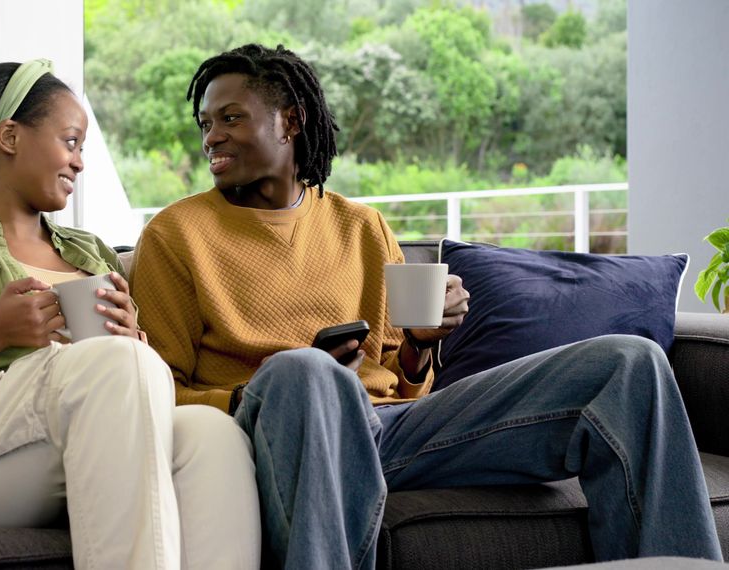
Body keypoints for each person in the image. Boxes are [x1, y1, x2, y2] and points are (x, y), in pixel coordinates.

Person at [129, 44, 723, 569]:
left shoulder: (361, 226)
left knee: (630, 363)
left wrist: (419, 344)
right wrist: (292, 383)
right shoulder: (176, 234)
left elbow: (406, 386)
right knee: (304, 370)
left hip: (388, 432)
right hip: (271, 434)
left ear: (291, 121)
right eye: (206, 123)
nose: (212, 136)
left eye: (230, 118)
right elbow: (160, 388)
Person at [0, 60, 260, 570]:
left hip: (76, 447)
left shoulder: (92, 252)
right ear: (11, 136)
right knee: (117, 364)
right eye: (70, 142)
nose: (80, 163)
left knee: (213, 434)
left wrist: (136, 342)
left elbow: (139, 388)